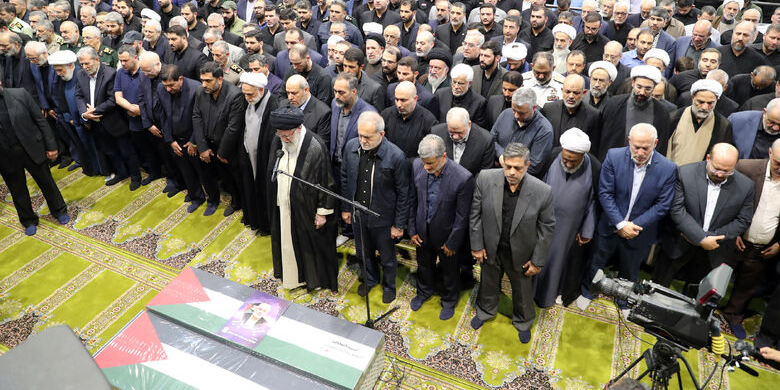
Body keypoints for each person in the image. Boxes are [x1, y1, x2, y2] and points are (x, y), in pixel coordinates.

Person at [576, 124, 677, 311]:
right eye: (636, 146)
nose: (639, 152)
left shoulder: (668, 168)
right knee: (596, 263)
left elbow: (663, 205)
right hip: (609, 226)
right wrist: (621, 223)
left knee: (630, 271)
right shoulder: (614, 156)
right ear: (629, 141)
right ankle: (588, 291)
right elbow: (605, 193)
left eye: (645, 148)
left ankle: (624, 301)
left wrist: (633, 226)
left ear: (655, 144)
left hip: (639, 233)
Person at [469, 142, 555, 343]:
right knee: (488, 281)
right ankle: (485, 311)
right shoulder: (485, 178)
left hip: (522, 253)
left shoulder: (543, 191)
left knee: (522, 290)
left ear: (527, 165)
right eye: (507, 166)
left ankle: (523, 321)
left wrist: (537, 261)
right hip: (491, 247)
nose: (511, 172)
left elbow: (547, 228)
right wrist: (476, 245)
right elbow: (475, 215)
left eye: (517, 168)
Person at [653, 143, 754, 291]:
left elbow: (743, 220)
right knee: (658, 287)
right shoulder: (684, 173)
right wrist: (701, 238)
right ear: (708, 158)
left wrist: (711, 238)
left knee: (695, 298)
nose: (720, 174)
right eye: (716, 168)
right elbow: (677, 209)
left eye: (726, 171)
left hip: (715, 249)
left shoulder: (746, 186)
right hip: (678, 243)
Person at [340, 111, 410, 303]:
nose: (362, 140)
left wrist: (399, 225)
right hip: (358, 215)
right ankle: (370, 280)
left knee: (388, 257)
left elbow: (404, 193)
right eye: (360, 135)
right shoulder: (351, 147)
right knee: (363, 252)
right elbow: (345, 177)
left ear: (381, 134)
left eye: (368, 137)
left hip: (384, 219)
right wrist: (346, 207)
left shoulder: (396, 156)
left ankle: (389, 286)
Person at [267, 105, 338, 291]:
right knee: (287, 243)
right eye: (280, 135)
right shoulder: (279, 141)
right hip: (284, 206)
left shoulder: (315, 146)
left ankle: (310, 280)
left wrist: (322, 213)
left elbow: (326, 182)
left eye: (287, 135)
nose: (283, 139)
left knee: (308, 248)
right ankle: (292, 278)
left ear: (298, 128)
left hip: (307, 210)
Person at [408, 134, 473, 319]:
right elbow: (413, 200)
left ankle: (449, 300)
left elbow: (462, 217)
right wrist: (412, 229)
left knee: (450, 272)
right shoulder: (417, 165)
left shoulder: (463, 178)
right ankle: (423, 292)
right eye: (424, 162)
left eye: (430, 163)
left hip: (447, 238)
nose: (426, 167)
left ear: (443, 156)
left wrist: (453, 243)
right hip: (422, 232)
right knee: (424, 266)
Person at [721, 139, 780, 338]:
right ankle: (704, 309)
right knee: (718, 277)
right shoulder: (746, 168)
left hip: (764, 248)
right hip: (734, 239)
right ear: (770, 153)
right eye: (778, 163)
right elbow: (726, 201)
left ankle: (733, 315)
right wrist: (734, 231)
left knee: (747, 284)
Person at [536, 128, 600, 308]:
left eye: (573, 160)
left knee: (559, 261)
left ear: (582, 155)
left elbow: (594, 203)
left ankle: (550, 294)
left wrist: (587, 230)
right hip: (543, 222)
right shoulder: (552, 156)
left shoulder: (594, 166)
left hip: (569, 228)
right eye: (565, 159)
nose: (568, 164)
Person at [0, 79, 69, 236]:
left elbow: (41, 121)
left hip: (31, 149)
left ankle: (59, 210)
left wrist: (51, 146)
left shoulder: (20, 94)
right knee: (17, 190)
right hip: (6, 156)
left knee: (46, 182)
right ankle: (28, 220)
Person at [75, 47, 143, 190]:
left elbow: (113, 99)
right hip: (95, 123)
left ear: (97, 60)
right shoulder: (80, 75)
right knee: (109, 151)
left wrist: (95, 110)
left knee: (127, 151)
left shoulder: (110, 74)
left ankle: (136, 177)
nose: (84, 67)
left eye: (87, 63)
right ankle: (121, 173)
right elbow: (79, 95)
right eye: (82, 64)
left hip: (114, 122)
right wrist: (84, 114)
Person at [191, 61, 247, 217]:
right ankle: (234, 201)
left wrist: (222, 153)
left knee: (236, 178)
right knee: (224, 179)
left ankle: (242, 204)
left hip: (229, 149)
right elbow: (197, 117)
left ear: (220, 79)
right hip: (209, 146)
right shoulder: (200, 92)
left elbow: (233, 128)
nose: (204, 84)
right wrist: (202, 147)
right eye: (202, 80)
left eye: (208, 80)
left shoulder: (235, 95)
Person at [592, 65, 672, 161]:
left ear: (654, 88)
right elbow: (603, 139)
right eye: (639, 87)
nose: (642, 92)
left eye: (647, 89)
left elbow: (661, 147)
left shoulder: (662, 112)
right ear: (633, 83)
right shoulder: (614, 104)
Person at [666, 79, 734, 166]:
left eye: (710, 103)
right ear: (692, 97)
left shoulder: (722, 125)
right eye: (700, 102)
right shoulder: (673, 118)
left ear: (717, 99)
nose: (705, 107)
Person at [490, 87, 553, 177]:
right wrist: (500, 155)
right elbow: (491, 140)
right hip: (495, 174)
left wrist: (507, 165)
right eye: (514, 110)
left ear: (534, 107)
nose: (516, 116)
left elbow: (533, 167)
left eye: (521, 113)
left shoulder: (544, 130)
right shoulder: (505, 114)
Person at [381, 81, 438, 159]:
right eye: (396, 99)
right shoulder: (386, 115)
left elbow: (429, 154)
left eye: (403, 100)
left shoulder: (428, 121)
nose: (399, 105)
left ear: (415, 99)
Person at [431, 107, 495, 176]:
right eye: (451, 132)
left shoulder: (485, 141)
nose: (455, 137)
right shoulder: (436, 133)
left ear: (469, 124)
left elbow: (483, 175)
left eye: (459, 132)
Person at [540, 74, 599, 146]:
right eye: (567, 92)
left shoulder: (593, 115)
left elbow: (594, 147)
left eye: (576, 93)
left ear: (584, 93)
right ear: (562, 90)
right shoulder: (549, 109)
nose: (571, 96)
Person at [281, 74, 331, 150]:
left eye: (294, 93)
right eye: (288, 93)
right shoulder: (283, 105)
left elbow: (321, 146)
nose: (290, 97)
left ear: (306, 90)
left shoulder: (323, 113)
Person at [434, 63, 487, 129]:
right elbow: (434, 121)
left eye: (460, 83)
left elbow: (478, 130)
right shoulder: (440, 94)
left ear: (469, 83)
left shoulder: (479, 102)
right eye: (454, 82)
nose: (456, 86)